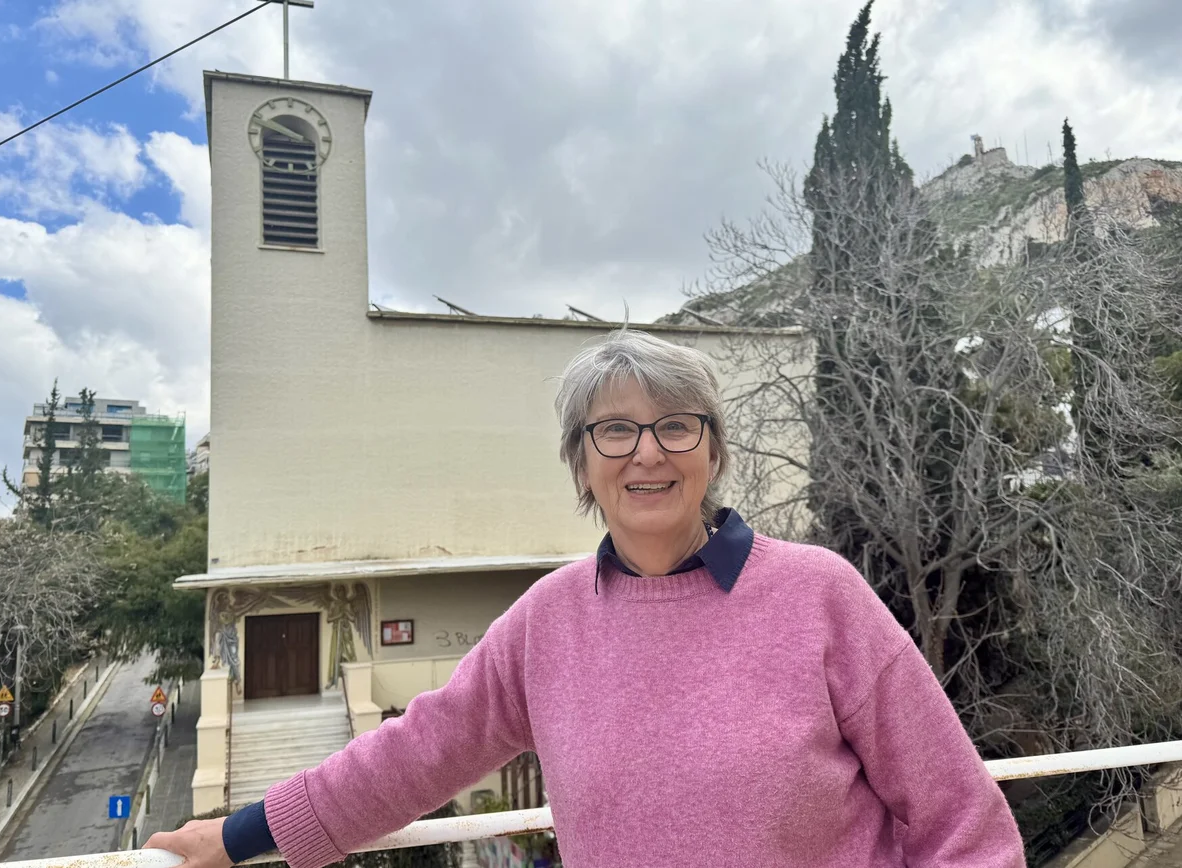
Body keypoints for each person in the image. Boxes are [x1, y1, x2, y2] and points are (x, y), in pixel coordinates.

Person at [147, 328, 1025, 867]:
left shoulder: (819, 595)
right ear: (580, 463)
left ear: (712, 451)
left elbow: (960, 819)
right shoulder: (548, 622)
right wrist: (238, 836)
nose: (647, 452)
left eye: (675, 425)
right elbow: (414, 754)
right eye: (614, 430)